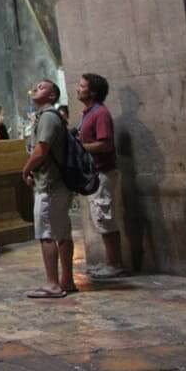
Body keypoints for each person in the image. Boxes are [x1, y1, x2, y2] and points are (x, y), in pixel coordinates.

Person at [22, 79, 76, 299]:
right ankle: (67, 280)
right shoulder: (49, 117)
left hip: (49, 184)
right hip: (59, 183)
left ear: (53, 96)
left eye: (42, 87)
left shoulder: (47, 117)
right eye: (35, 86)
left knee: (47, 234)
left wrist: (25, 170)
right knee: (62, 232)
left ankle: (53, 284)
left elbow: (41, 150)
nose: (36, 88)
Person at [76, 73, 127, 279]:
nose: (78, 89)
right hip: (94, 173)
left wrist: (81, 147)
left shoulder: (100, 114)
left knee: (105, 218)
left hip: (102, 172)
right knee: (100, 217)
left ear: (93, 91)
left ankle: (115, 263)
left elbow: (105, 144)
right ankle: (109, 261)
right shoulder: (88, 113)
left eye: (82, 86)